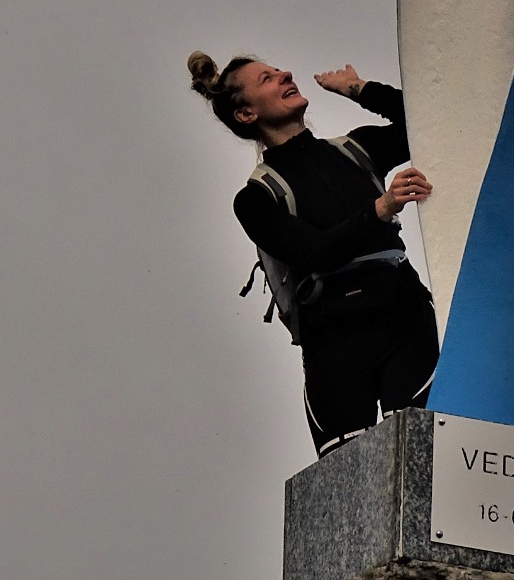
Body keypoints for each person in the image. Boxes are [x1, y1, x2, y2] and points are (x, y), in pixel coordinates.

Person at [187, 52, 439, 459]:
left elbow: (429, 123)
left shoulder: (356, 149)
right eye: (267, 78)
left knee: (422, 457)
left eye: (278, 70)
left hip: (403, 316)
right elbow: (315, 251)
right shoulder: (255, 198)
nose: (285, 73)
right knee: (344, 489)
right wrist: (382, 206)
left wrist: (360, 90)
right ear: (247, 114)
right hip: (334, 342)